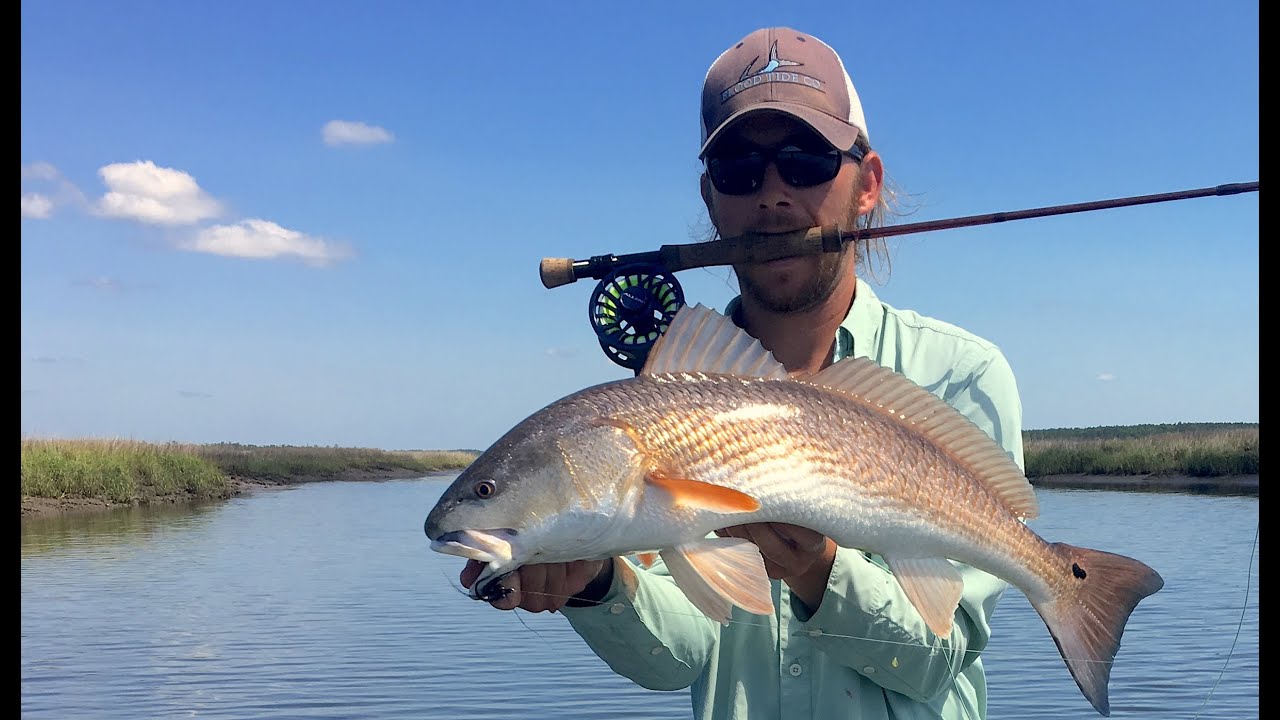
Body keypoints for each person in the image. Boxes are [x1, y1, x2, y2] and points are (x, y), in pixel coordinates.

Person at [459, 26, 1025, 720]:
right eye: (739, 168)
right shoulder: (663, 405)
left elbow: (940, 659)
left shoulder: (961, 373)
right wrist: (598, 583)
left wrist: (821, 573)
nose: (773, 194)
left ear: (867, 183)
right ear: (710, 197)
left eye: (805, 160)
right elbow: (682, 657)